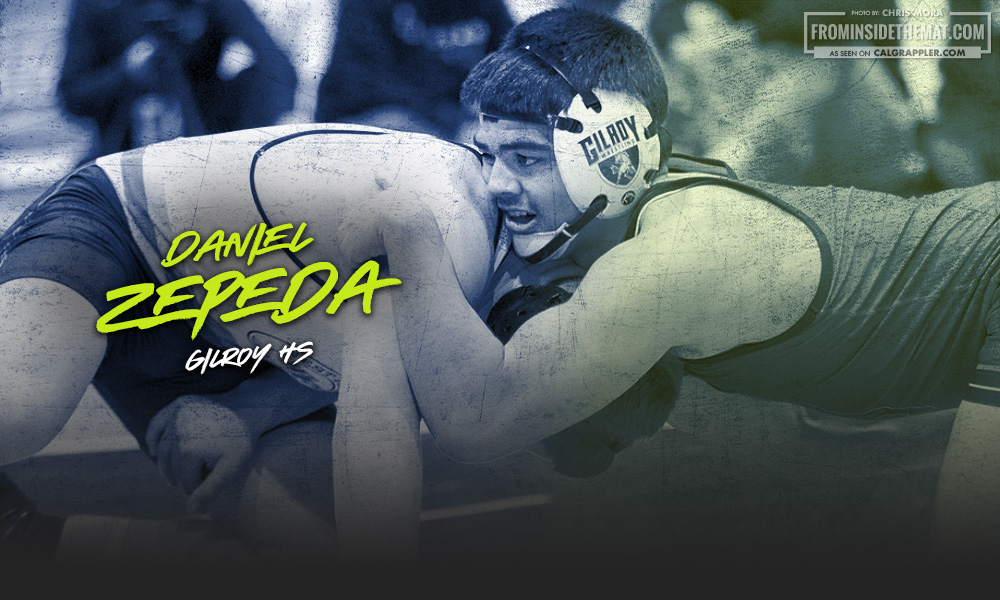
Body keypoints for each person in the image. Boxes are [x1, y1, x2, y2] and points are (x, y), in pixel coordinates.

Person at [338, 8, 1000, 560]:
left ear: (605, 160)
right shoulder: (628, 196)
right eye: (489, 156)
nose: (496, 184)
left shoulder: (672, 258)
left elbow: (476, 423)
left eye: (525, 159)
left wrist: (408, 231)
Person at [0, 123, 497, 563]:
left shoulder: (498, 255)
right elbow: (378, 423)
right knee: (19, 414)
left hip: (230, 347)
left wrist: (244, 412)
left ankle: (23, 539)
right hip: (120, 228)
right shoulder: (456, 225)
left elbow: (363, 370)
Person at [59, 0, 297, 161]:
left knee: (259, 80)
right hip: (122, 143)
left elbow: (279, 68)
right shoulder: (97, 7)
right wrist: (125, 72)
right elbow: (71, 97)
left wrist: (247, 142)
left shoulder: (209, 5)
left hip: (206, 135)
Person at [314, 0, 513, 140]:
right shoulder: (368, 6)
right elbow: (361, 88)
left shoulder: (486, 5)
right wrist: (452, 123)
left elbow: (514, 63)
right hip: (366, 123)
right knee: (395, 123)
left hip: (451, 126)